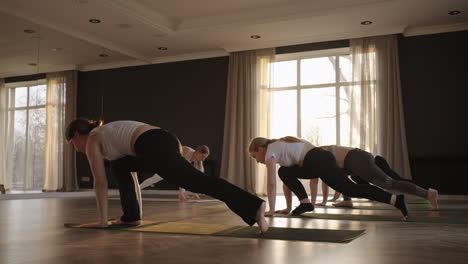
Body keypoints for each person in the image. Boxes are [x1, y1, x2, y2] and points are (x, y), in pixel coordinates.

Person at [66, 119, 268, 233]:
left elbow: (100, 183)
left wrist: (102, 222)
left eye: (73, 144)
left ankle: (254, 205)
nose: (77, 149)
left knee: (198, 182)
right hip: (160, 141)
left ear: (76, 134)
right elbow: (132, 178)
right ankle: (131, 217)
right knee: (119, 166)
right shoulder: (108, 136)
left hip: (153, 144)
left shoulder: (94, 138)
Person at [248, 136, 410, 220]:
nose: (257, 161)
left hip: (319, 160)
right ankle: (305, 204)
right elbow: (285, 180)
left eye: (255, 156)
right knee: (284, 172)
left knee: (349, 189)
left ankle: (395, 200)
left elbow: (271, 184)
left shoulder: (271, 151)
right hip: (313, 161)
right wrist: (287, 208)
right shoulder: (280, 146)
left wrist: (269, 210)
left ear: (261, 149)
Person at [319, 145, 438, 210]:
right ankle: (347, 201)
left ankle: (428, 194)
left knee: (390, 184)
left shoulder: (318, 154)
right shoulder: (318, 153)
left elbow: (325, 179)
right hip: (353, 161)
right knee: (344, 178)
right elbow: (331, 178)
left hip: (357, 159)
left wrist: (324, 201)